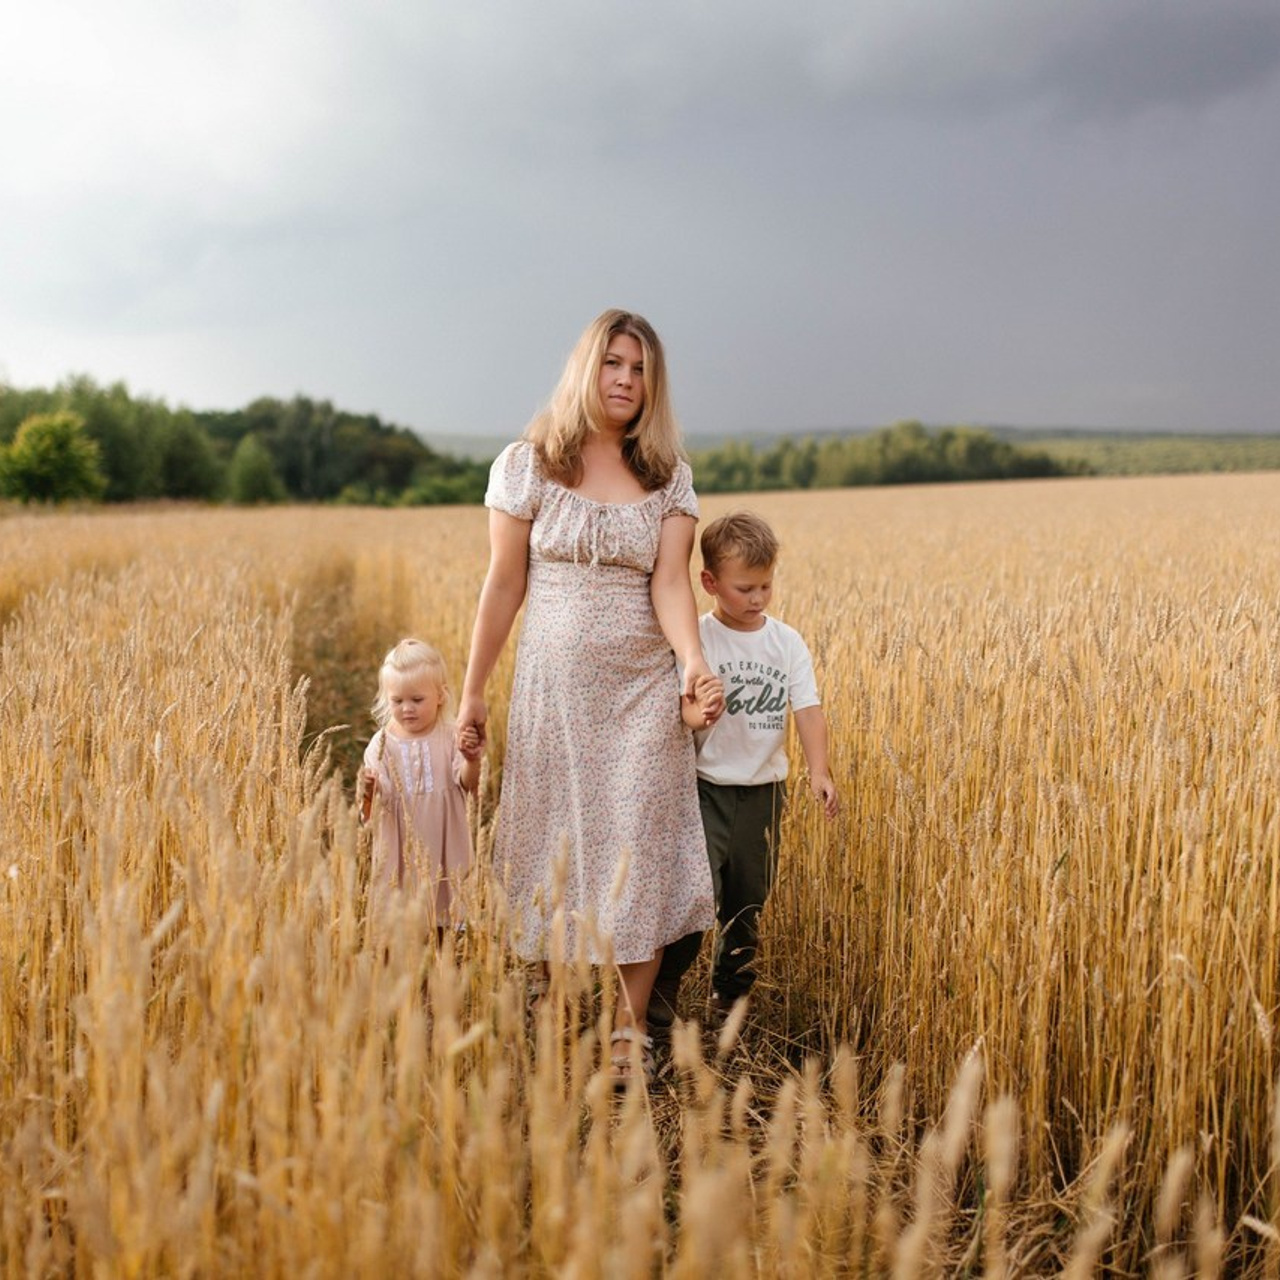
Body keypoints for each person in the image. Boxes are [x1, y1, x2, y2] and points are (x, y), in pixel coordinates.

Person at [458, 308, 723, 1085]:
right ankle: (548, 1007)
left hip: (643, 693)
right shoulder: (530, 464)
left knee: (637, 846)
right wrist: (474, 692)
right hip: (553, 691)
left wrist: (692, 663)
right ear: (587, 368)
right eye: (613, 363)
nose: (625, 381)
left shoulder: (667, 473)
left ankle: (626, 1036)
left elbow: (672, 582)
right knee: (551, 839)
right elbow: (504, 584)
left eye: (640, 370)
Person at [651, 511, 840, 1042]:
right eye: (744, 588)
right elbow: (682, 710)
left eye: (765, 586)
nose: (758, 598)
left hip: (764, 792)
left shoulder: (786, 643)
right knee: (693, 898)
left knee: (748, 900)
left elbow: (807, 709)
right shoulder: (698, 640)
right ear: (709, 583)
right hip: (705, 789)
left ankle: (729, 997)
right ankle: (660, 1002)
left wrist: (819, 771)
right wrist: (697, 715)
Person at [360, 638, 482, 937]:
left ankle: (445, 964)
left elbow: (467, 783)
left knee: (445, 911)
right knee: (403, 915)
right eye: (397, 701)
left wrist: (471, 759)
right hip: (402, 840)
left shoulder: (451, 736)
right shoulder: (382, 743)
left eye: (417, 699)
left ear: (440, 696)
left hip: (444, 837)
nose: (407, 709)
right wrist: (368, 789)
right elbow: (380, 800)